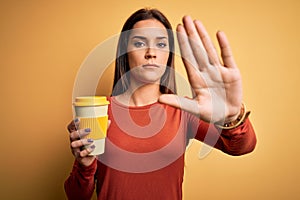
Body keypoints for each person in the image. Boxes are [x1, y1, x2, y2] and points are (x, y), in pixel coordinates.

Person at [65, 8, 256, 200]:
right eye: (139, 43)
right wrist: (85, 165)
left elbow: (241, 147)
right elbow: (76, 196)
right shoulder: (98, 111)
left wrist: (231, 116)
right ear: (125, 52)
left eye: (161, 44)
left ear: (169, 55)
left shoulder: (184, 110)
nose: (151, 53)